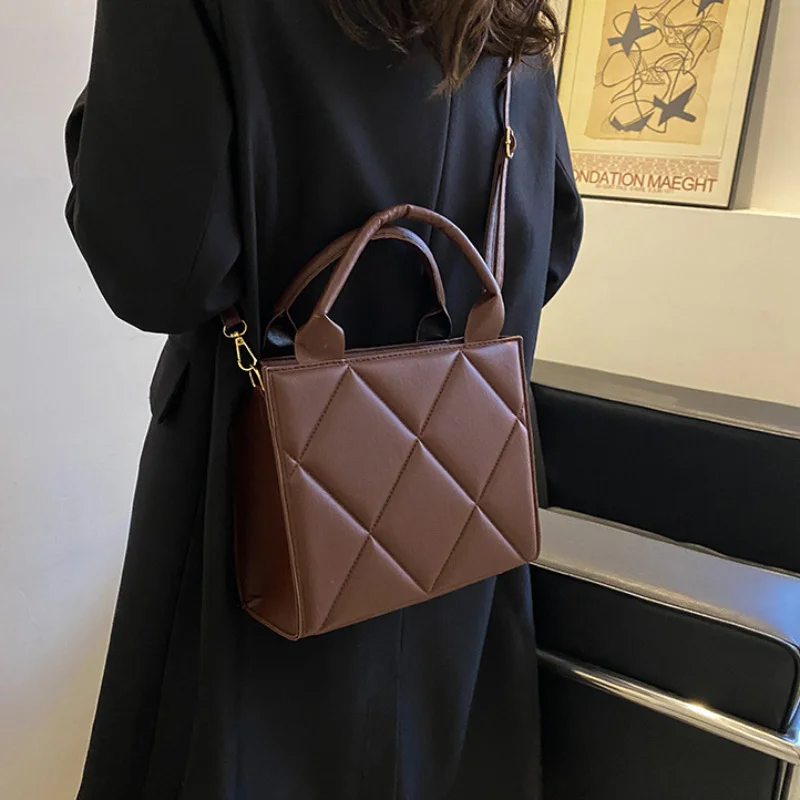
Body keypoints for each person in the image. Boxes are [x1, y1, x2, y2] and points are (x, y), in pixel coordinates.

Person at [65, 1, 583, 798]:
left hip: (253, 516)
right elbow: (551, 247)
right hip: (456, 515)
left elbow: (158, 268)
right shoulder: (509, 25)